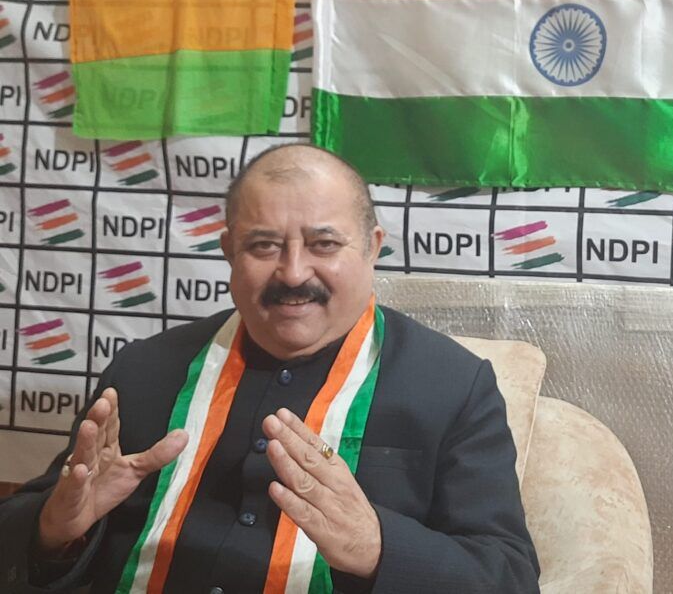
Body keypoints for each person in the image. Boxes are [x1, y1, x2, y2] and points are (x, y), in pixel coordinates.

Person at [0, 144, 540, 593]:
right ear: (229, 250)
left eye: (324, 243)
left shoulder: (454, 386)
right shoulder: (144, 369)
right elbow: (32, 530)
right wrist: (53, 529)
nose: (294, 272)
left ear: (372, 247)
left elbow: (510, 577)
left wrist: (378, 546)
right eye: (264, 246)